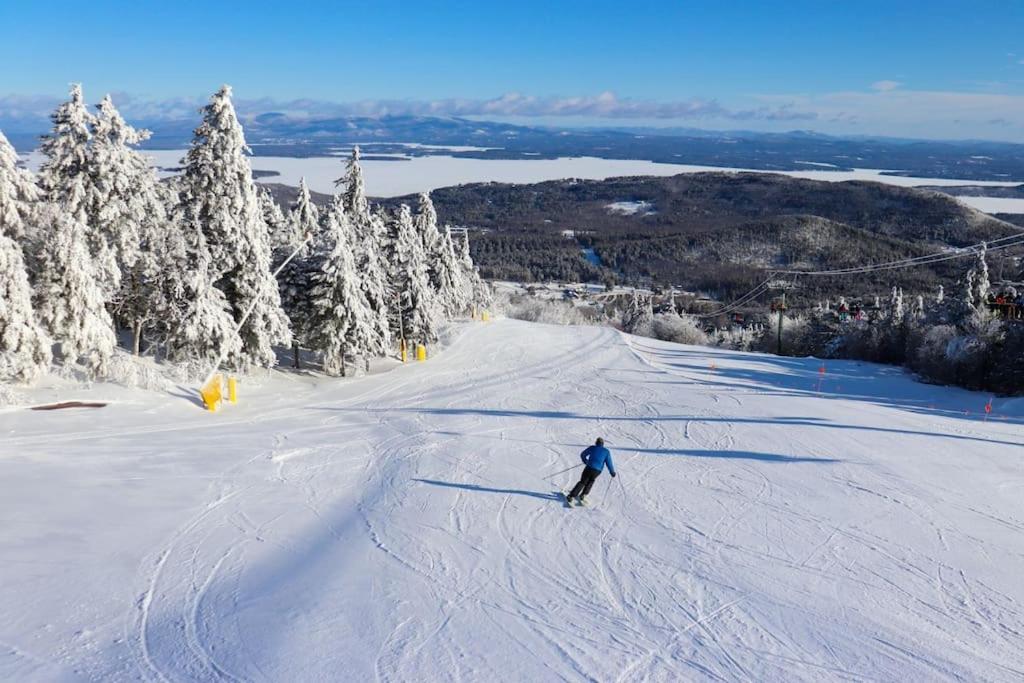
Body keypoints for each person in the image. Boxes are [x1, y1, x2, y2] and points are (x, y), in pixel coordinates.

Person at [566, 438, 616, 505]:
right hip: (597, 471)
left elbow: (583, 454)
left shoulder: (592, 448)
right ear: (602, 444)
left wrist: (586, 461)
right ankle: (583, 495)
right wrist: (612, 472)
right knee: (591, 481)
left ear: (596, 442)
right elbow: (609, 463)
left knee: (583, 482)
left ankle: (571, 496)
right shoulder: (606, 451)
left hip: (589, 467)